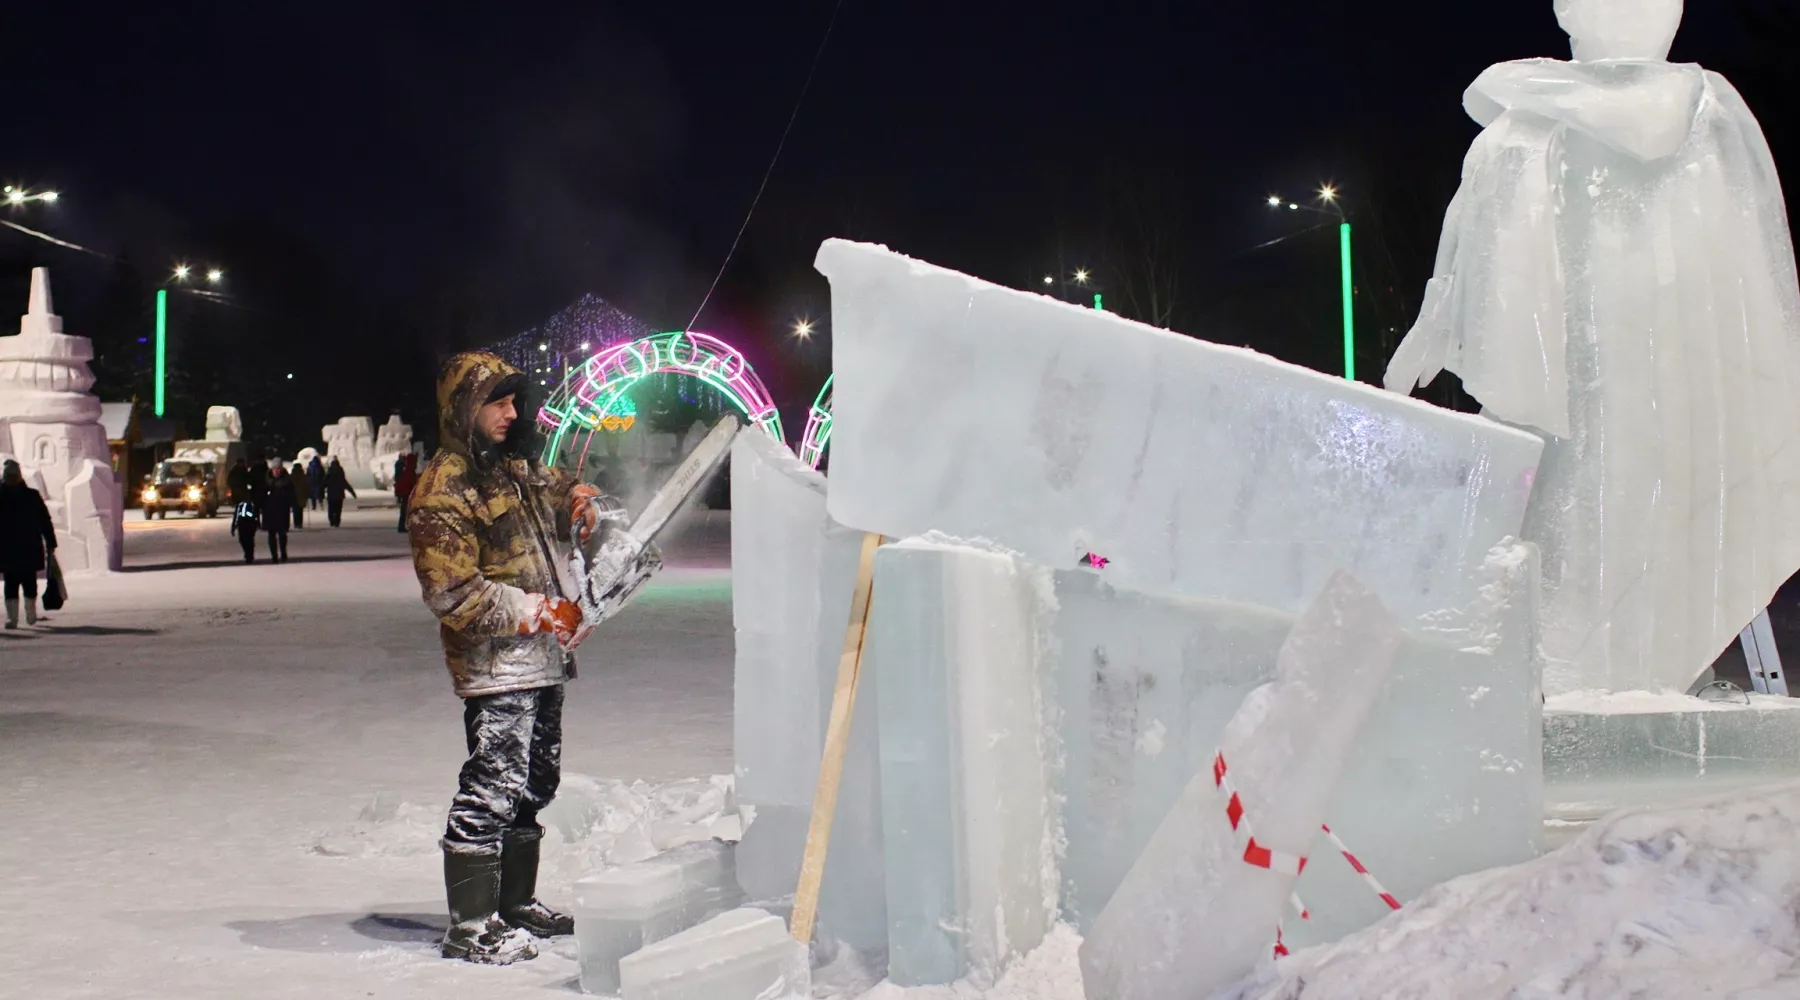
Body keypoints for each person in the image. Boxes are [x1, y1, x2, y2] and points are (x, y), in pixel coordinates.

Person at [408, 351, 644, 965]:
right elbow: (451, 592)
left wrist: (581, 498)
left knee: (536, 782)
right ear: (465, 408)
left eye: (516, 401)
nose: (513, 413)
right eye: (498, 402)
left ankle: (514, 904)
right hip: (494, 667)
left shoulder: (511, 466)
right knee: (493, 786)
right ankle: (470, 926)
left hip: (541, 659)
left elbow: (557, 482)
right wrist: (540, 610)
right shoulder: (443, 489)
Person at [0, 459, 56, 629]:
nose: (10, 478)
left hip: (27, 545)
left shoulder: (32, 495)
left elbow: (44, 520)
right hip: (8, 547)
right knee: (11, 583)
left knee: (29, 582)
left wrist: (51, 541)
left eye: (13, 475)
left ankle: (30, 613)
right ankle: (12, 617)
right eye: (8, 475)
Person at [262, 461, 294, 563]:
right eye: (275, 469)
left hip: (282, 510)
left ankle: (283, 553)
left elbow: (292, 494)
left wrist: (292, 503)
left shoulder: (287, 481)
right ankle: (274, 555)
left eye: (278, 468)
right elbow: (261, 495)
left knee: (282, 534)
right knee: (271, 534)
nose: (277, 471)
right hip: (269, 511)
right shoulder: (267, 481)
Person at [230, 492, 261, 564]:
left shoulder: (252, 505)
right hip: (241, 524)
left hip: (250, 524)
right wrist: (233, 526)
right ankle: (247, 552)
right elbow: (236, 516)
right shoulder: (239, 505)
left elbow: (256, 515)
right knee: (242, 539)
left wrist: (257, 523)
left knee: (250, 539)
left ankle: (249, 555)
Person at [325, 458, 356, 527]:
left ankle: (331, 520)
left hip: (331, 495)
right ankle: (337, 522)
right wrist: (352, 492)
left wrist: (320, 492)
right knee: (338, 509)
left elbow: (324, 483)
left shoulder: (329, 473)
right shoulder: (340, 473)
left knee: (331, 509)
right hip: (339, 495)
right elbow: (345, 484)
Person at [394, 452, 420, 533]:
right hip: (407, 495)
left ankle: (403, 526)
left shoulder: (407, 470)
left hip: (406, 494)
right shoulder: (409, 471)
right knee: (406, 511)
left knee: (405, 511)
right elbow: (410, 483)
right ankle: (403, 526)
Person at [289, 463, 307, 530]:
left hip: (293, 494)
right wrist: (307, 493)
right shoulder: (303, 476)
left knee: (295, 509)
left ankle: (296, 523)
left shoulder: (291, 476)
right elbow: (306, 485)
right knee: (300, 509)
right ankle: (299, 523)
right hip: (301, 494)